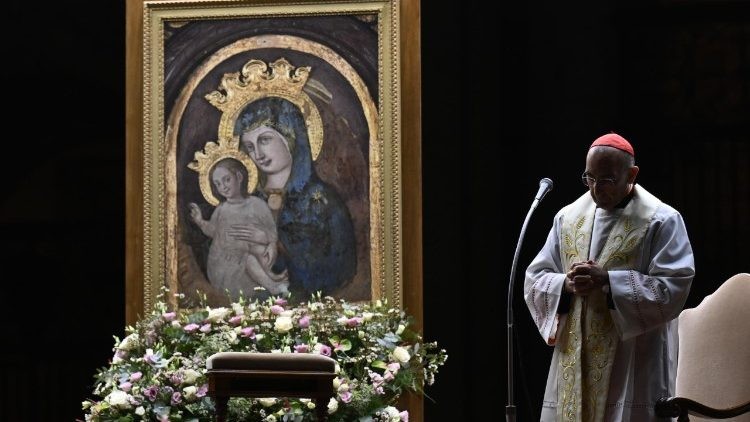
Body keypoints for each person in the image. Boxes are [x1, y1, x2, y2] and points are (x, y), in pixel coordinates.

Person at [524, 133, 695, 421]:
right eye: (589, 178)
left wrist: (608, 281)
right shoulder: (568, 218)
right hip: (575, 356)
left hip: (634, 359)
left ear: (632, 174)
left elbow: (672, 288)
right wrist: (565, 284)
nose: (595, 189)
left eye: (606, 180)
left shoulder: (662, 220)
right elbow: (536, 277)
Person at [228, 97, 357, 300]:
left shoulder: (322, 201)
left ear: (291, 136)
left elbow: (341, 267)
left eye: (265, 140)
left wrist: (278, 243)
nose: (258, 154)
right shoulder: (249, 201)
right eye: (250, 146)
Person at [189, 157, 289, 299]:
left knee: (259, 251)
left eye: (226, 180)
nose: (223, 186)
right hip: (224, 263)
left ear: (239, 177)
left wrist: (270, 243)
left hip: (250, 254)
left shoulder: (257, 204)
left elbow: (271, 231)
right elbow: (213, 231)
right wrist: (200, 221)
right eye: (217, 184)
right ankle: (272, 285)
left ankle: (272, 278)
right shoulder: (222, 209)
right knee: (248, 257)